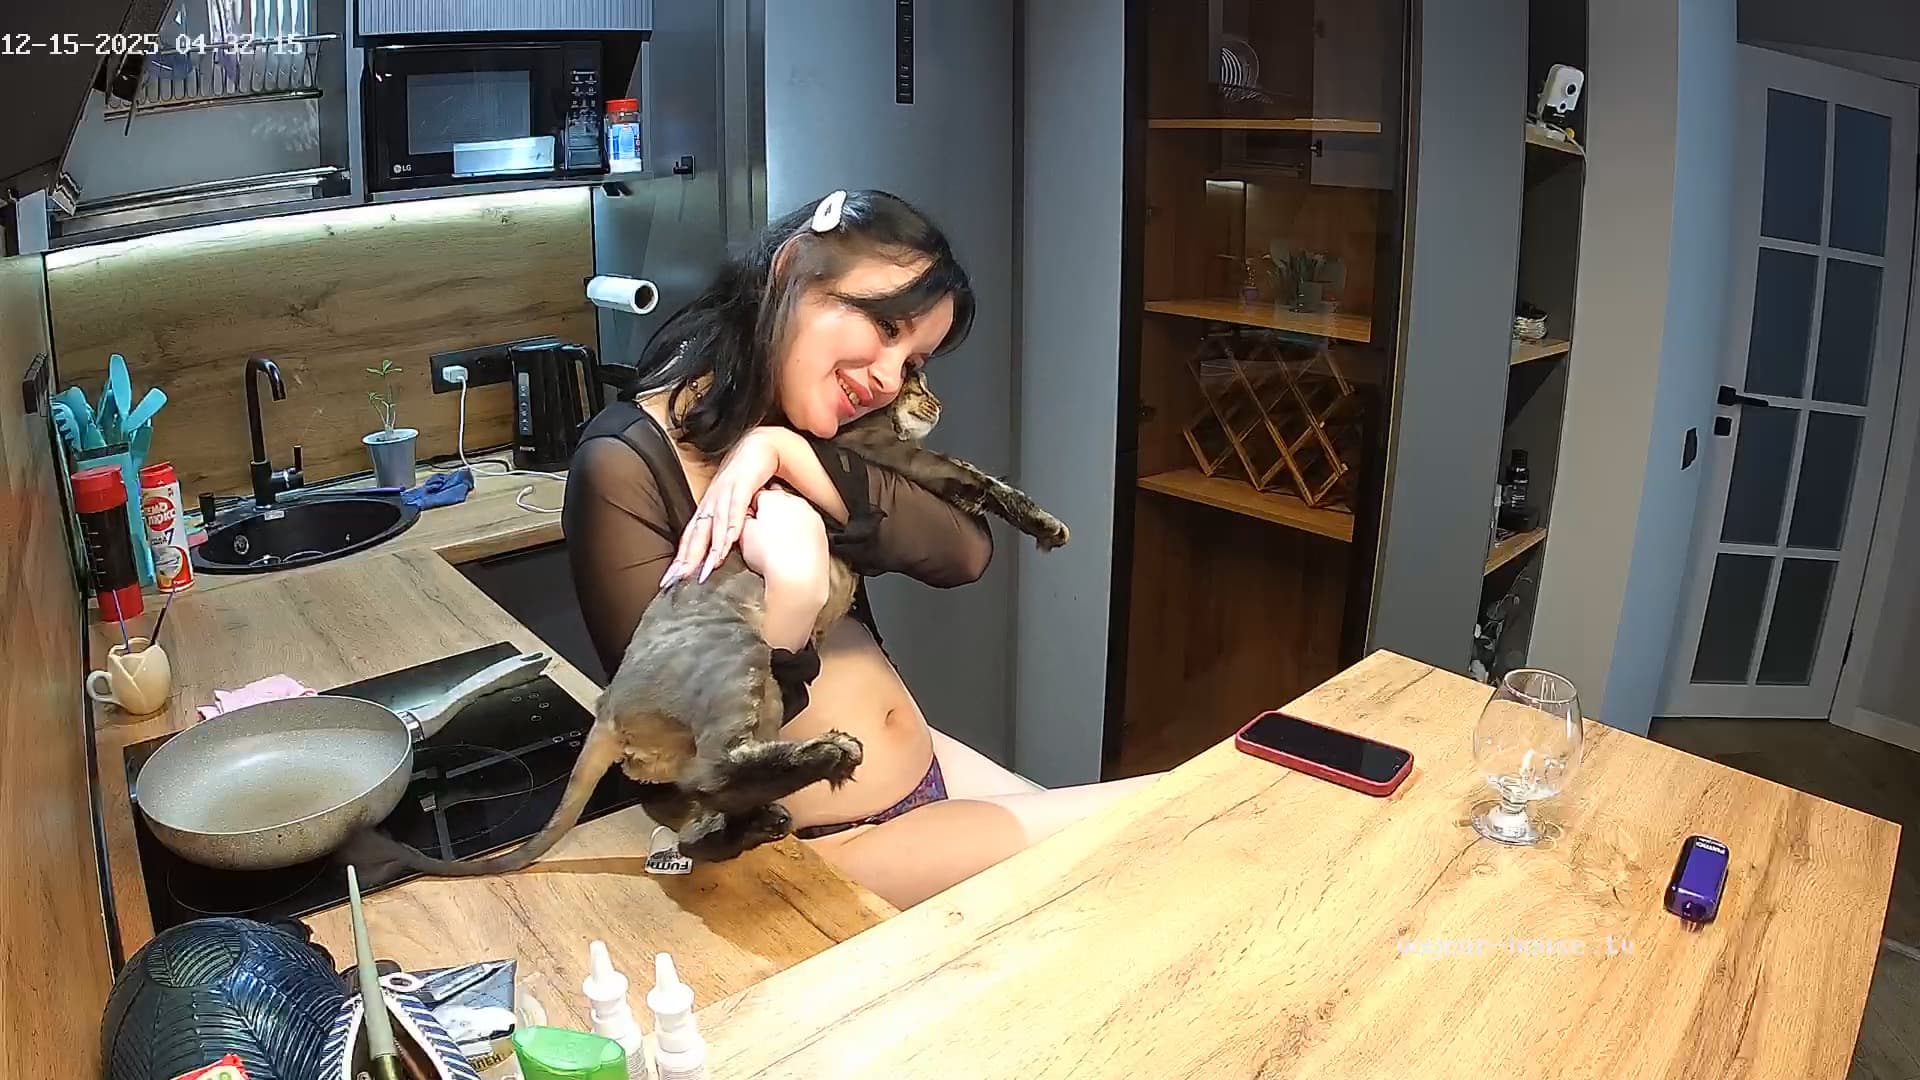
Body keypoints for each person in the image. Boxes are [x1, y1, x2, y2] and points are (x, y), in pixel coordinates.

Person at [565, 189, 1155, 908]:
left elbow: (963, 552)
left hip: (927, 777)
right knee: (1164, 817)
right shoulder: (625, 465)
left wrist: (784, 451)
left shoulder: (799, 424)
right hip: (820, 847)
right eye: (884, 326)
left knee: (1155, 853)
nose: (888, 378)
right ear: (791, 269)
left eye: (914, 361)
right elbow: (684, 751)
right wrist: (794, 596)